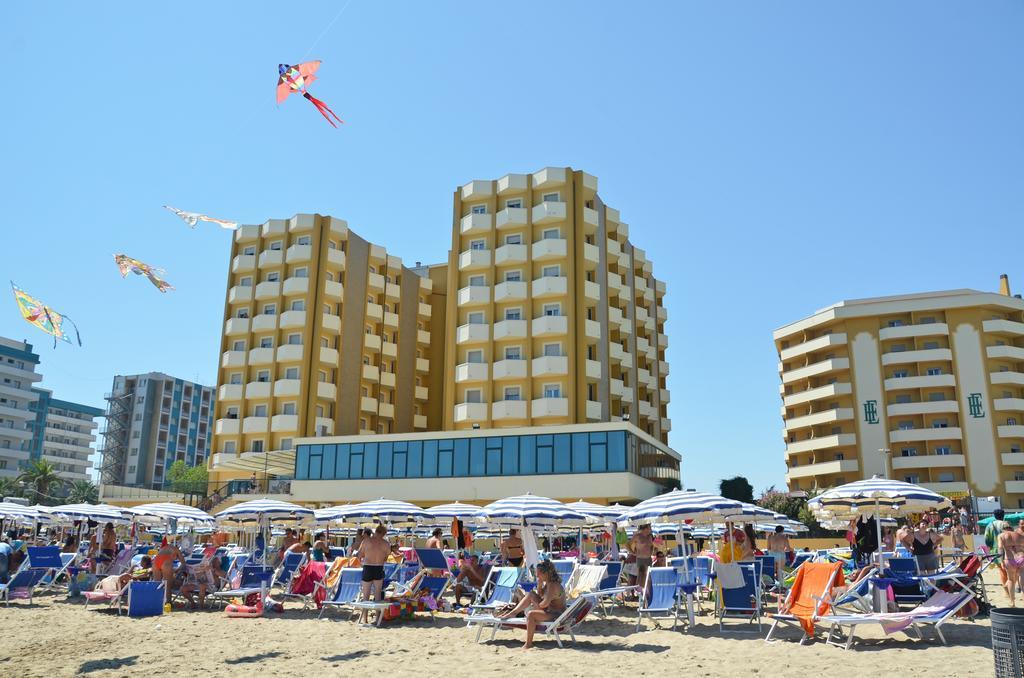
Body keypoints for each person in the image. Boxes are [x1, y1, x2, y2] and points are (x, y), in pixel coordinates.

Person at [497, 560, 566, 649]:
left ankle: (528, 643)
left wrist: (534, 604)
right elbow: (541, 596)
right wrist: (539, 586)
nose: (537, 576)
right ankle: (513, 612)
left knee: (531, 614)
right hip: (551, 611)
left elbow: (544, 604)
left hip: (556, 615)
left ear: (546, 574)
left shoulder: (552, 586)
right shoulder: (549, 584)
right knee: (531, 594)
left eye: (539, 573)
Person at [357, 525, 390, 625]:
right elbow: (386, 557)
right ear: (384, 534)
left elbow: (359, 555)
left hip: (367, 567)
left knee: (366, 595)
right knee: (378, 595)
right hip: (379, 567)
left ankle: (365, 619)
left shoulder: (366, 541)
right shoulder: (386, 543)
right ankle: (377, 619)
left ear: (375, 531)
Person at [999, 521, 1024, 607]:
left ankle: (1012, 602)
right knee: (1022, 577)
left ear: (1003, 529)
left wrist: (1001, 561)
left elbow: (1000, 549)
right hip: (1021, 558)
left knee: (1011, 580)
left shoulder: (1001, 536)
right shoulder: (1018, 535)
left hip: (1009, 560)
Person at [628, 524, 655, 589]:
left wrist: (651, 551)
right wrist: (632, 552)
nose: (650, 529)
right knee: (640, 577)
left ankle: (648, 592)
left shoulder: (650, 536)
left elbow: (652, 545)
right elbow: (627, 544)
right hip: (640, 558)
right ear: (645, 528)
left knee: (648, 576)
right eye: (649, 528)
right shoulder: (637, 536)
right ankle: (638, 592)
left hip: (648, 558)